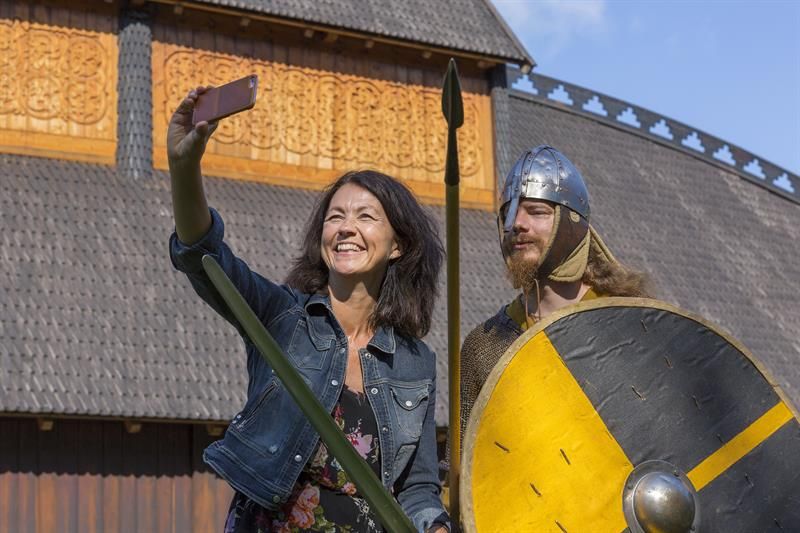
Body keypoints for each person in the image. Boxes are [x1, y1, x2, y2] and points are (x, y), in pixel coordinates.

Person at [167, 86, 450, 533]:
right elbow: (203, 257)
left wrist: (435, 526)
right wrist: (184, 167)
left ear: (398, 245)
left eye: (365, 217)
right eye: (335, 217)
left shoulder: (416, 361)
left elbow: (417, 487)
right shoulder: (282, 318)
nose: (345, 228)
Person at [457, 145, 651, 449]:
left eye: (537, 212)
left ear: (569, 225)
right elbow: (463, 466)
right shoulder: (484, 345)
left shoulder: (629, 323)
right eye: (508, 214)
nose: (517, 224)